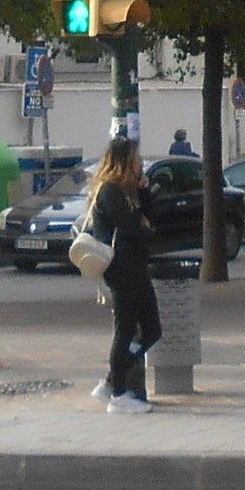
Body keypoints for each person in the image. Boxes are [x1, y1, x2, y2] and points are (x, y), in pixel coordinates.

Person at [84, 137, 160, 418]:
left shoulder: (128, 192)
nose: (142, 164)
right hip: (122, 269)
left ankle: (110, 381)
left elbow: (147, 222)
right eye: (137, 159)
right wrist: (145, 227)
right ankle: (118, 395)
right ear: (125, 161)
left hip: (135, 268)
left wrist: (146, 196)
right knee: (126, 329)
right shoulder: (110, 192)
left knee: (152, 330)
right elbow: (132, 228)